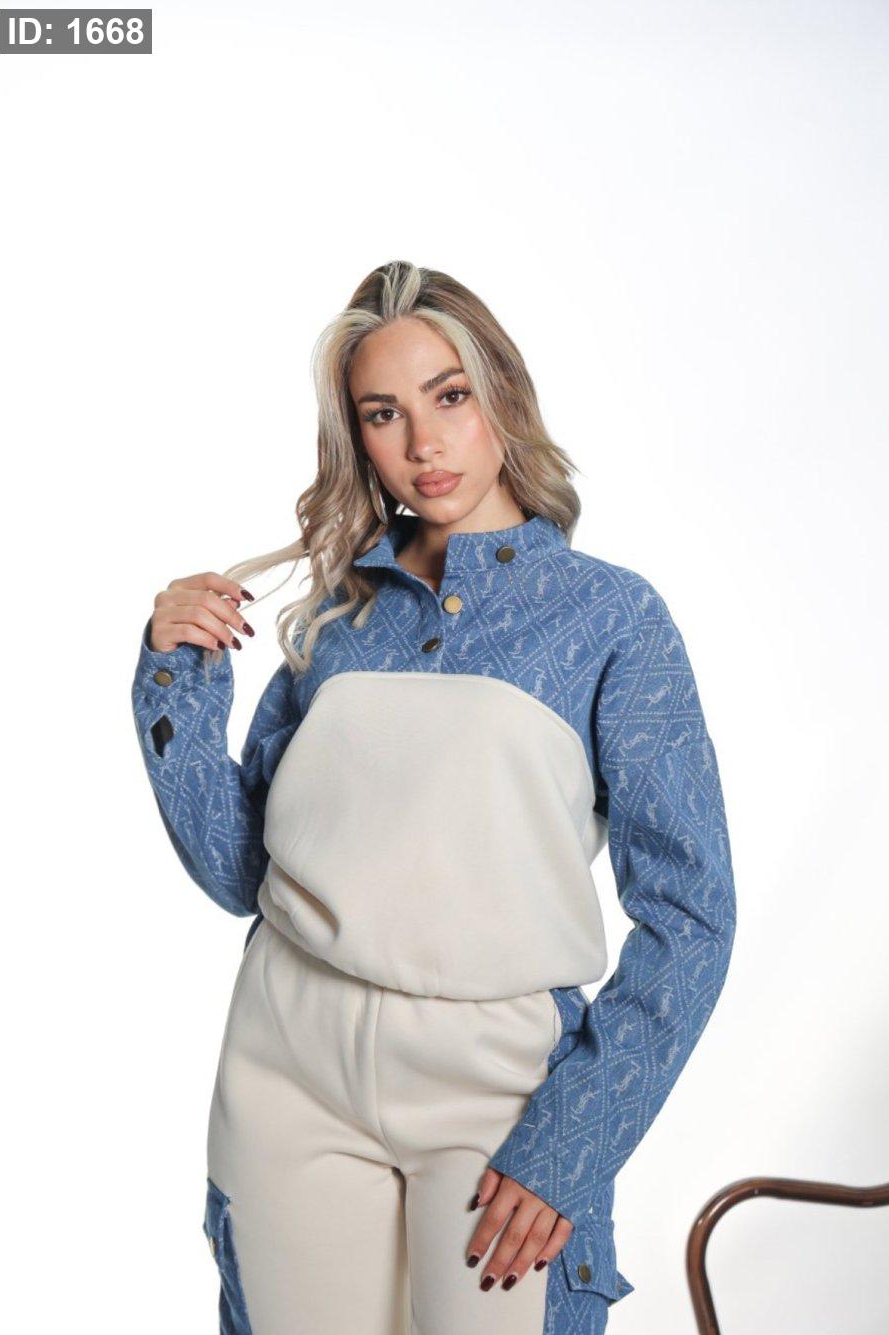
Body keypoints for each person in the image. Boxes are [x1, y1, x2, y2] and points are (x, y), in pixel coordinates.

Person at [130, 260, 737, 1335]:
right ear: (356, 437)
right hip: (289, 1067)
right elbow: (241, 872)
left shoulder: (610, 620)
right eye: (384, 413)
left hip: (496, 1085)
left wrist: (574, 1142)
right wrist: (175, 677)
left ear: (501, 393)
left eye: (449, 396)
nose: (423, 443)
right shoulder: (339, 621)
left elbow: (691, 914)